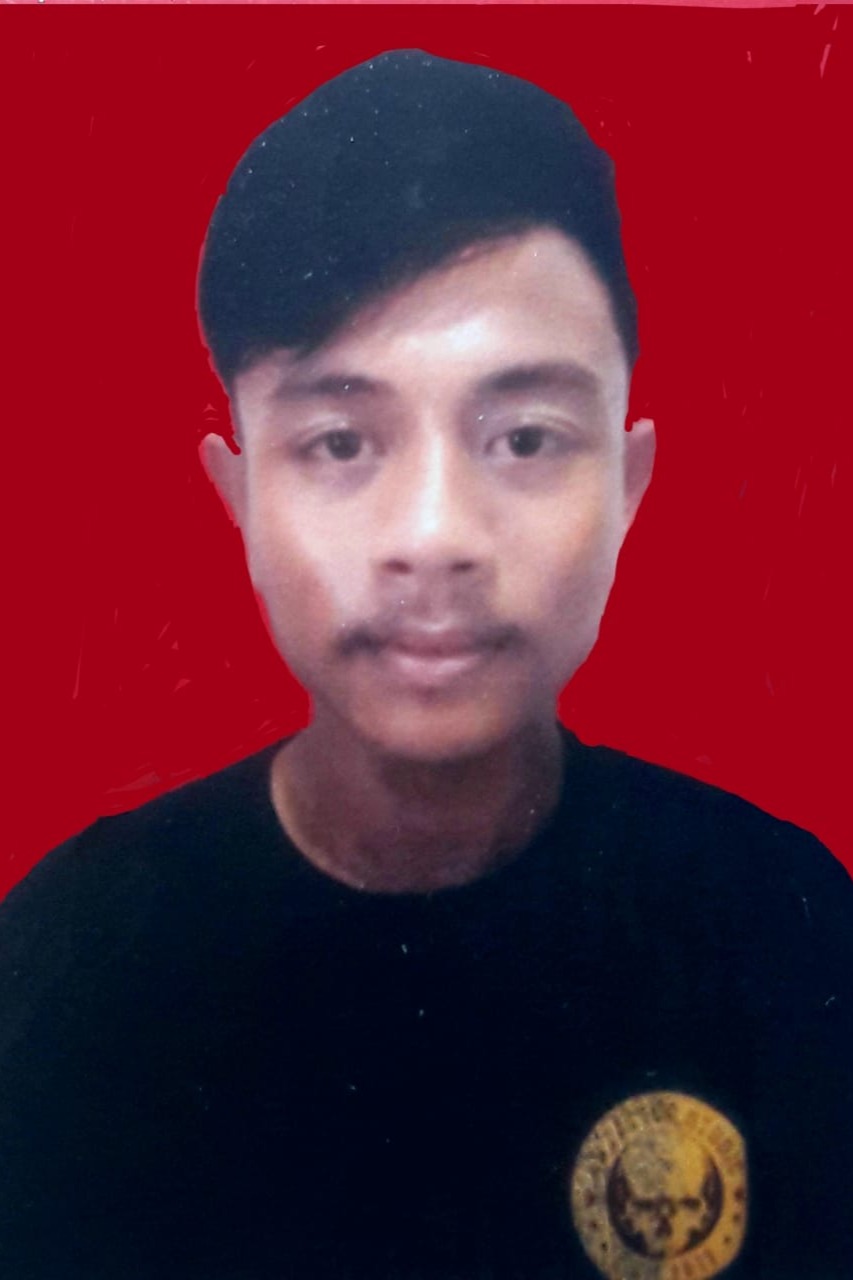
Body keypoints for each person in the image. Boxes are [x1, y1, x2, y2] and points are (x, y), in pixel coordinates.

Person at [1, 50, 850, 1280]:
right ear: (238, 496)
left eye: (525, 437)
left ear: (628, 484)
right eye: (341, 442)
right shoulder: (70, 964)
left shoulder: (783, 929)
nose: (435, 535)